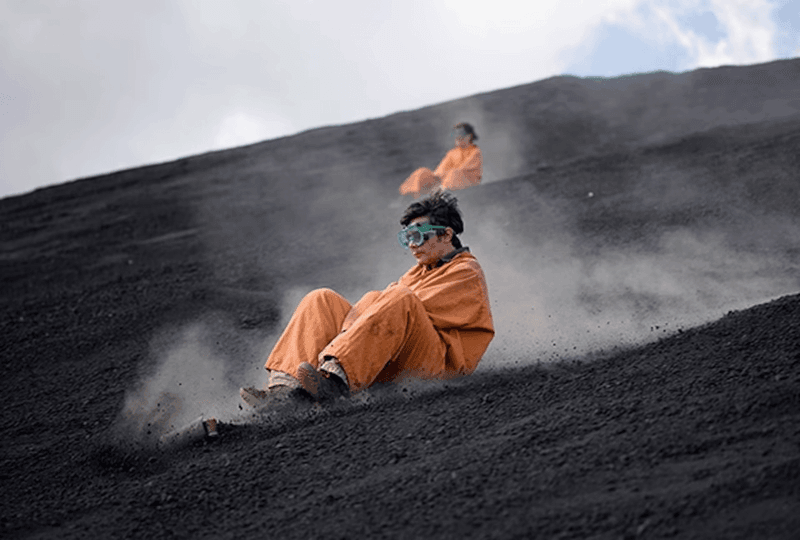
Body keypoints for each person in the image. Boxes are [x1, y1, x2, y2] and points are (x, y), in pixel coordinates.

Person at [240, 190, 494, 409]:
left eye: (418, 236)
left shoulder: (465, 271)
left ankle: (335, 382)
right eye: (407, 239)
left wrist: (347, 336)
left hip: (435, 370)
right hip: (393, 359)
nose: (412, 246)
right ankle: (283, 392)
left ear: (446, 235)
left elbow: (403, 310)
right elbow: (380, 315)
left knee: (397, 297)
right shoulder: (416, 272)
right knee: (321, 299)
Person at [399, 123, 483, 198]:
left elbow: (464, 168)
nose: (457, 137)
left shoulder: (475, 151)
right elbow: (441, 169)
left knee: (454, 173)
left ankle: (439, 195)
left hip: (468, 180)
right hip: (447, 181)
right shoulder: (452, 152)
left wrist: (445, 179)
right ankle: (409, 196)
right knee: (422, 172)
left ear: (469, 136)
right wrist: (433, 178)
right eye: (456, 135)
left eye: (461, 135)